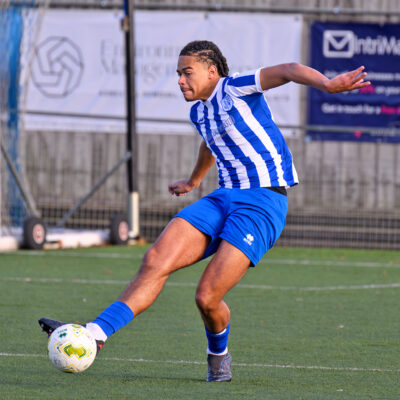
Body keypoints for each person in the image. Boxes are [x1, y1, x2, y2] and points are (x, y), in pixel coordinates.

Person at [39, 40, 370, 382]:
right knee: (155, 260)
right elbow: (210, 144)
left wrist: (328, 84)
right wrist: (194, 180)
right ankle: (94, 334)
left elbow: (288, 70)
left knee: (207, 297)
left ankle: (218, 355)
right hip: (222, 197)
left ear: (212, 71)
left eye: (187, 73)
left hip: (262, 202)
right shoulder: (198, 112)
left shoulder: (235, 88)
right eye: (178, 74)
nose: (180, 80)